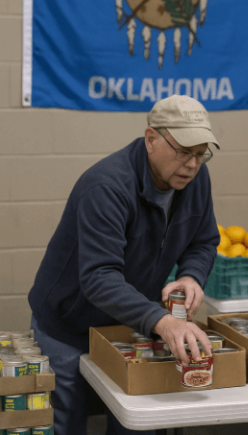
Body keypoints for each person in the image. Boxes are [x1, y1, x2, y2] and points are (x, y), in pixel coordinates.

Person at [27, 94, 222, 435]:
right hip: (71, 326)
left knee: (135, 420)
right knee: (67, 421)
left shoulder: (194, 179)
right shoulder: (106, 186)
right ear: (151, 139)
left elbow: (203, 240)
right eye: (183, 151)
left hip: (131, 325)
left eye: (200, 153)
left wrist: (191, 276)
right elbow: (100, 276)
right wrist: (162, 321)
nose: (192, 164)